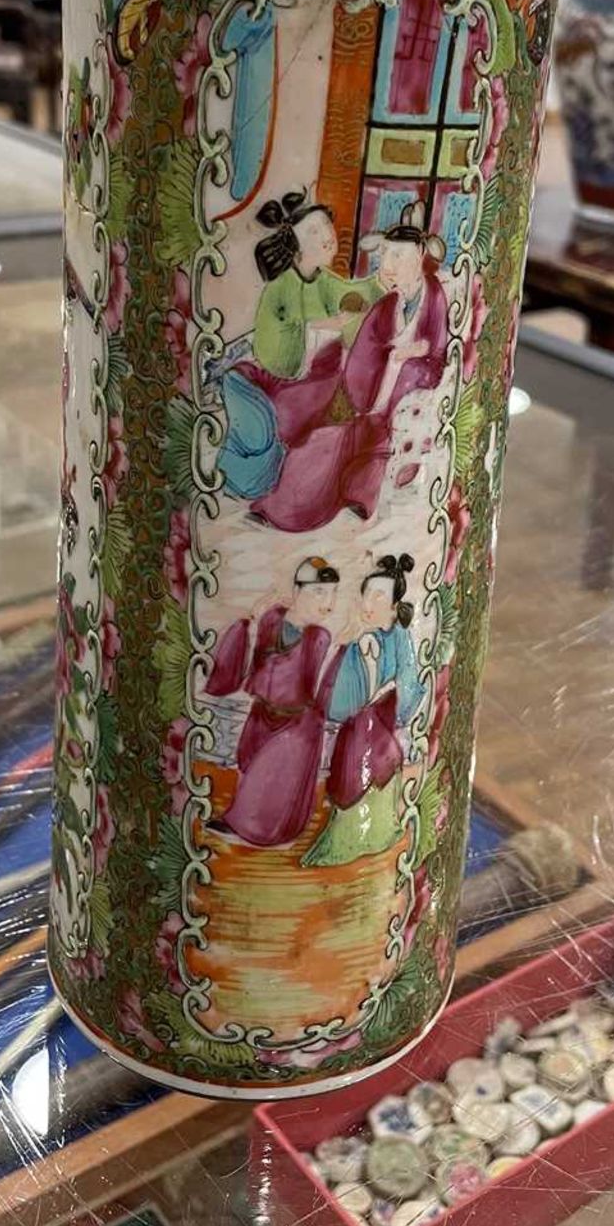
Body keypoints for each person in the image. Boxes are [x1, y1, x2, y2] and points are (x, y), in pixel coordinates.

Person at [250, 209, 450, 534]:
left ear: (419, 256)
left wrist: (409, 354)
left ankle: (358, 490)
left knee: (359, 422)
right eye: (385, 254)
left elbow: (435, 344)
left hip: (416, 373)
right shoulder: (388, 302)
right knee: (329, 434)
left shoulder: (434, 295)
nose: (387, 263)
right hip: (375, 380)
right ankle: (289, 505)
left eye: (397, 255)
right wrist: (367, 363)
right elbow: (365, 343)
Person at [217, 192, 380, 502]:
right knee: (280, 427)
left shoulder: (324, 281)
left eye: (326, 227)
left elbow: (356, 292)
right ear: (294, 244)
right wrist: (319, 328)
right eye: (314, 231)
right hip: (277, 380)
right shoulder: (281, 286)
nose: (327, 237)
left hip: (311, 380)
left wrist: (382, 279)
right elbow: (273, 343)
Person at [204, 557, 341, 848]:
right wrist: (252, 620)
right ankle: (252, 824)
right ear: (297, 590)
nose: (327, 602)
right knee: (251, 766)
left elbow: (309, 685)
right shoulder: (272, 620)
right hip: (264, 712)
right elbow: (255, 664)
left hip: (298, 723)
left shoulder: (319, 637)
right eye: (319, 592)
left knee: (271, 773)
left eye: (332, 594)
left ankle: (253, 829)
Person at [304, 554, 420, 866]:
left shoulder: (399, 638)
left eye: (378, 596)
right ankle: (349, 837)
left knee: (362, 746)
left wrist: (389, 696)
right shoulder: (360, 640)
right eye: (366, 594)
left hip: (383, 720)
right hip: (363, 720)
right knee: (352, 744)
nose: (369, 603)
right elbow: (340, 692)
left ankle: (375, 832)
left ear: (395, 607)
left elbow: (409, 683)